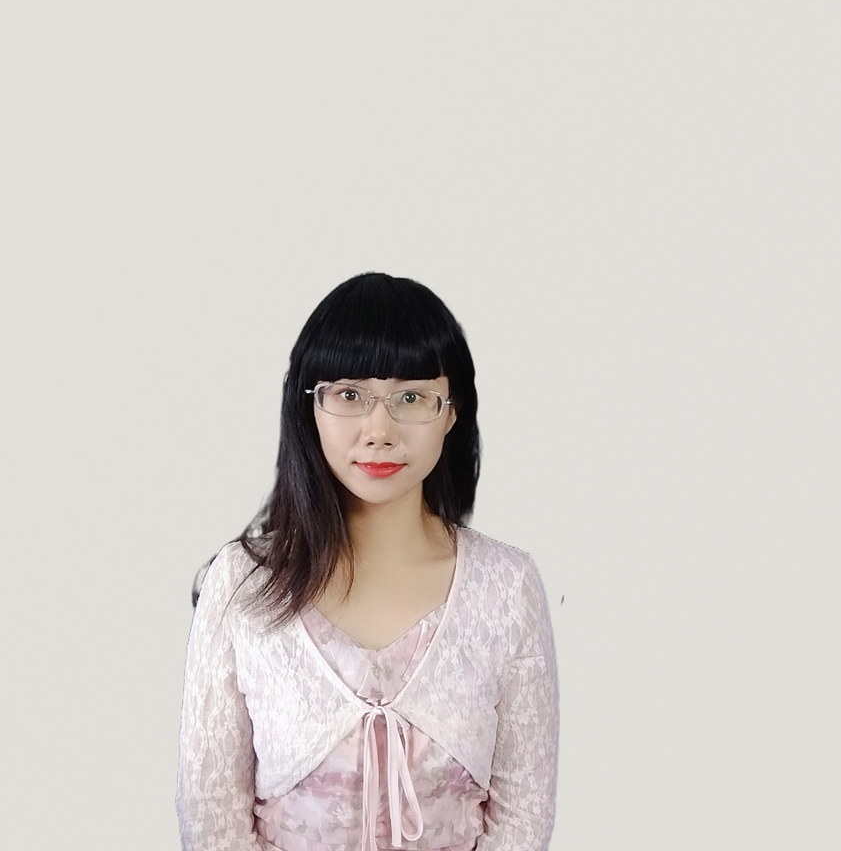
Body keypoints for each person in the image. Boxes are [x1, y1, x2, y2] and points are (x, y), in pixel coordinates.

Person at [177, 273, 559, 851]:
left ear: (451, 411)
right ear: (309, 406)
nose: (379, 431)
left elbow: (523, 817)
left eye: (411, 397)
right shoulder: (242, 583)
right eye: (350, 395)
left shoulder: (507, 587)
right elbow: (212, 819)